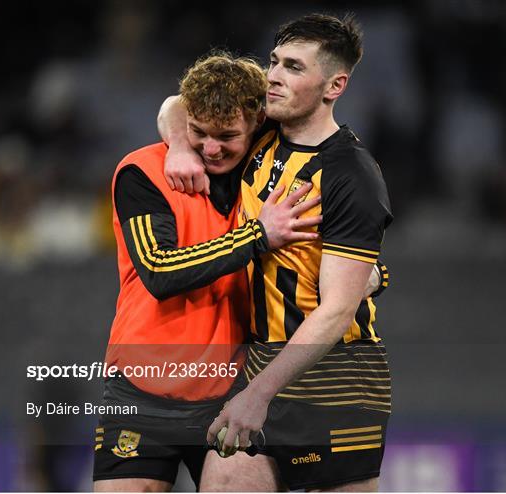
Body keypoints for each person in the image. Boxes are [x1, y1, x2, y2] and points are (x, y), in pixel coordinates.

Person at [159, 13, 393, 492]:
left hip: (337, 376)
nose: (273, 76)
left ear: (334, 86)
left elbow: (335, 311)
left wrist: (256, 394)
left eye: (293, 67)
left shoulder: (351, 174)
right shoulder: (262, 133)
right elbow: (174, 105)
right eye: (273, 61)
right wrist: (179, 148)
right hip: (259, 359)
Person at [93, 53, 324, 492]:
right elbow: (160, 272)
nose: (212, 148)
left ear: (256, 125)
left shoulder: (269, 174)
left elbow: (335, 237)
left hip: (232, 394)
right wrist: (257, 235)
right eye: (198, 132)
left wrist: (370, 271)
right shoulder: (143, 172)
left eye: (227, 136)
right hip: (139, 391)